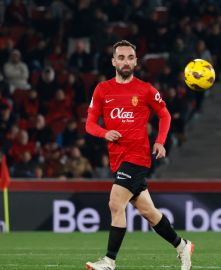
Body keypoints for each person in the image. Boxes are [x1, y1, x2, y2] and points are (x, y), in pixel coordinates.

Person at [85, 40, 194, 270]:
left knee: (116, 204)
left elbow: (165, 115)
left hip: (137, 157)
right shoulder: (102, 90)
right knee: (149, 212)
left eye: (130, 57)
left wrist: (161, 142)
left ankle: (109, 261)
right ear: (114, 61)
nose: (126, 61)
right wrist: (105, 133)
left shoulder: (145, 90)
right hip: (118, 158)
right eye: (121, 57)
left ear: (136, 61)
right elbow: (90, 125)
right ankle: (182, 245)